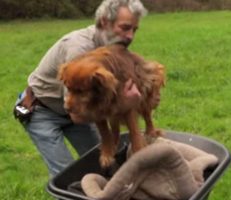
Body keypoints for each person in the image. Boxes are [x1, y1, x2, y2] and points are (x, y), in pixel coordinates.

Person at [17, 0, 148, 177]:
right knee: (66, 174)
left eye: (134, 29)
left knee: (103, 163)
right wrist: (126, 104)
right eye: (125, 28)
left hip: (80, 112)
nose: (130, 36)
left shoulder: (111, 49)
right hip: (42, 112)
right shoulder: (79, 51)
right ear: (104, 22)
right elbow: (76, 114)